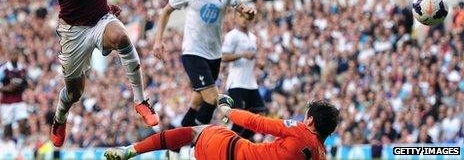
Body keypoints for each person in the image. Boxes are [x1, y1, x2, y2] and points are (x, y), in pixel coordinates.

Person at [47, 0, 158, 147]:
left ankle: (140, 100)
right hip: (74, 31)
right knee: (75, 93)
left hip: (99, 19)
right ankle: (60, 116)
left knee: (121, 36)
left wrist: (106, 8)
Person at [153, 0, 256, 127]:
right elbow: (166, 11)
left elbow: (242, 7)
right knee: (213, 98)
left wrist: (248, 11)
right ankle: (199, 139)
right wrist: (158, 40)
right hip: (193, 52)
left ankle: (177, 146)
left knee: (196, 103)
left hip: (214, 55)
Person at [104, 95, 340, 160]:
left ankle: (132, 150)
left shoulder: (299, 129)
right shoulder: (321, 155)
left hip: (228, 149)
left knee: (197, 131)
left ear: (310, 121)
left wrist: (228, 111)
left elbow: (258, 123)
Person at [222, 11, 266, 140]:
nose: (245, 20)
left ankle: (242, 144)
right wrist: (242, 55)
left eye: (247, 17)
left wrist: (259, 63)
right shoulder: (232, 36)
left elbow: (252, 58)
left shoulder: (252, 37)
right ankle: (227, 143)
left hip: (251, 83)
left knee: (258, 115)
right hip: (237, 83)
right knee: (240, 120)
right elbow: (224, 56)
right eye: (241, 16)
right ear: (235, 18)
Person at [0, 49, 30, 140]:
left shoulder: (22, 69)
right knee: (8, 126)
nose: (14, 56)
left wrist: (24, 86)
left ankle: (23, 142)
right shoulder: (4, 69)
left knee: (23, 121)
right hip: (6, 102)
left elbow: (26, 83)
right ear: (9, 56)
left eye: (16, 55)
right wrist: (7, 88)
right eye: (12, 55)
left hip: (19, 100)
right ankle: (7, 145)